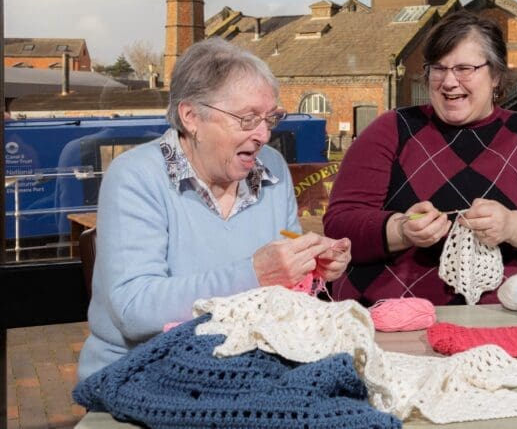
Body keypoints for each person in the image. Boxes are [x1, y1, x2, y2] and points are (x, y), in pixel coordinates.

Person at [78, 39, 351, 380]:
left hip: (248, 368)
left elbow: (286, 294)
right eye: (248, 119)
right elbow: (136, 311)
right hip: (143, 373)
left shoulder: (273, 167)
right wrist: (255, 274)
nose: (264, 134)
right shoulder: (135, 176)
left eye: (270, 118)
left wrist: (311, 266)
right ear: (191, 117)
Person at [324, 10, 517, 305]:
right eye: (438, 68)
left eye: (464, 68)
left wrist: (512, 226)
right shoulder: (391, 129)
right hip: (388, 318)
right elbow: (339, 226)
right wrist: (400, 230)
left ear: (496, 75)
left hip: (504, 321)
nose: (449, 82)